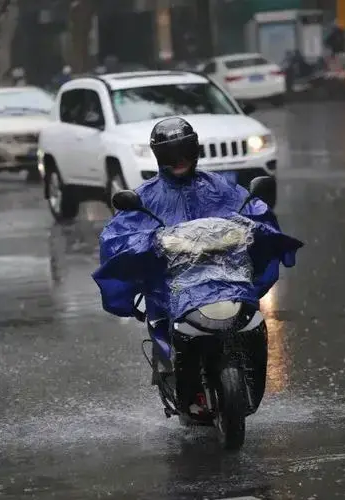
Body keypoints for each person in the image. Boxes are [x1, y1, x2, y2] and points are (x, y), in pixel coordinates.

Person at [92, 117, 301, 415]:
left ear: (195, 150)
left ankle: (250, 382)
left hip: (227, 280)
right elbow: (117, 238)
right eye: (170, 155)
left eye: (184, 152)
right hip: (172, 287)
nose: (179, 161)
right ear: (158, 156)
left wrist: (253, 228)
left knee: (254, 324)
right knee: (171, 327)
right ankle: (182, 387)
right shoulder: (146, 197)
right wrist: (151, 243)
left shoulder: (220, 188)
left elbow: (254, 211)